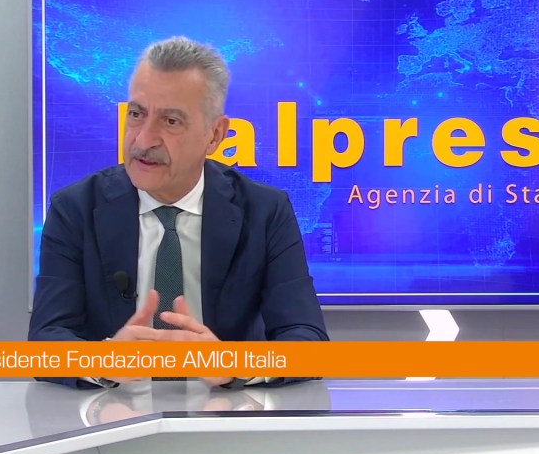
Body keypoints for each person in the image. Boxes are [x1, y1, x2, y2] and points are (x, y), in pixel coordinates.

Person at [29, 36, 329, 389]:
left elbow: (309, 344)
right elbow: (45, 343)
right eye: (136, 114)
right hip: (112, 412)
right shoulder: (75, 209)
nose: (143, 140)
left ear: (214, 135)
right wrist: (104, 360)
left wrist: (232, 364)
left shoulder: (265, 211)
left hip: (227, 410)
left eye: (170, 121)